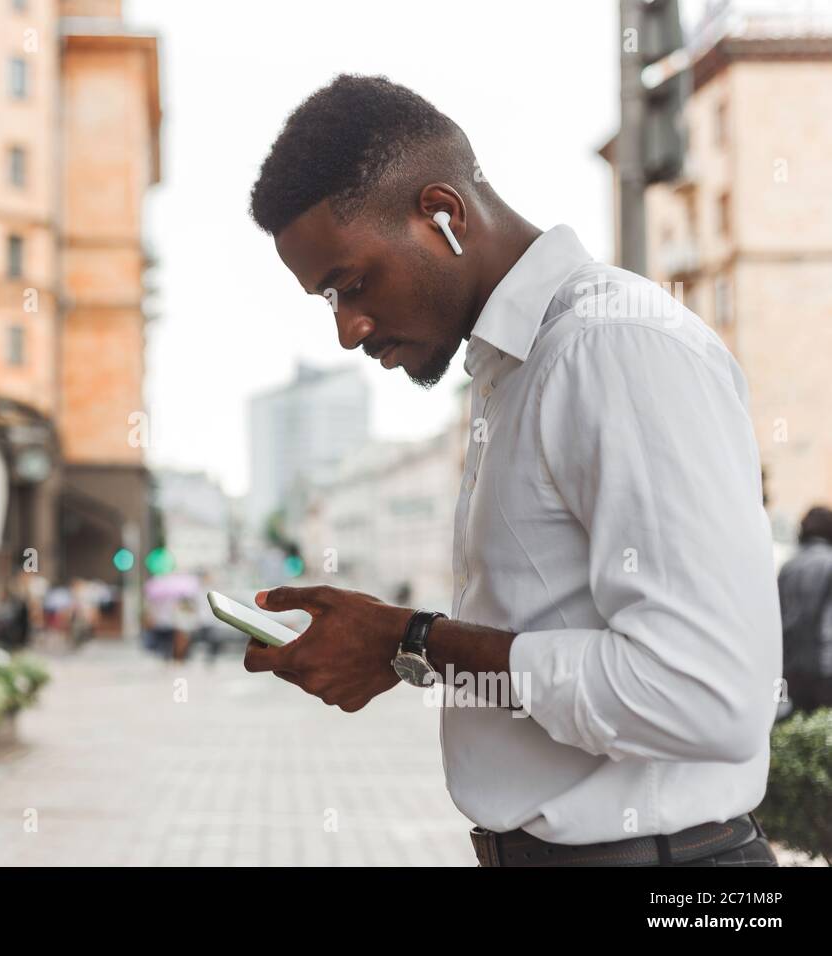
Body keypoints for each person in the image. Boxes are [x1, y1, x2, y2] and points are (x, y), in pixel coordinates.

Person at [241, 75, 781, 867]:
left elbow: (705, 695)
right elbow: (557, 635)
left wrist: (414, 638)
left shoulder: (612, 347)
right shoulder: (511, 369)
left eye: (351, 285)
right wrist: (405, 648)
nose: (348, 331)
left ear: (443, 215)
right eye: (327, 300)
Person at [777, 506, 832, 714]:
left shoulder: (789, 566)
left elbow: (779, 617)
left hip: (790, 669)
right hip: (823, 669)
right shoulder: (829, 563)